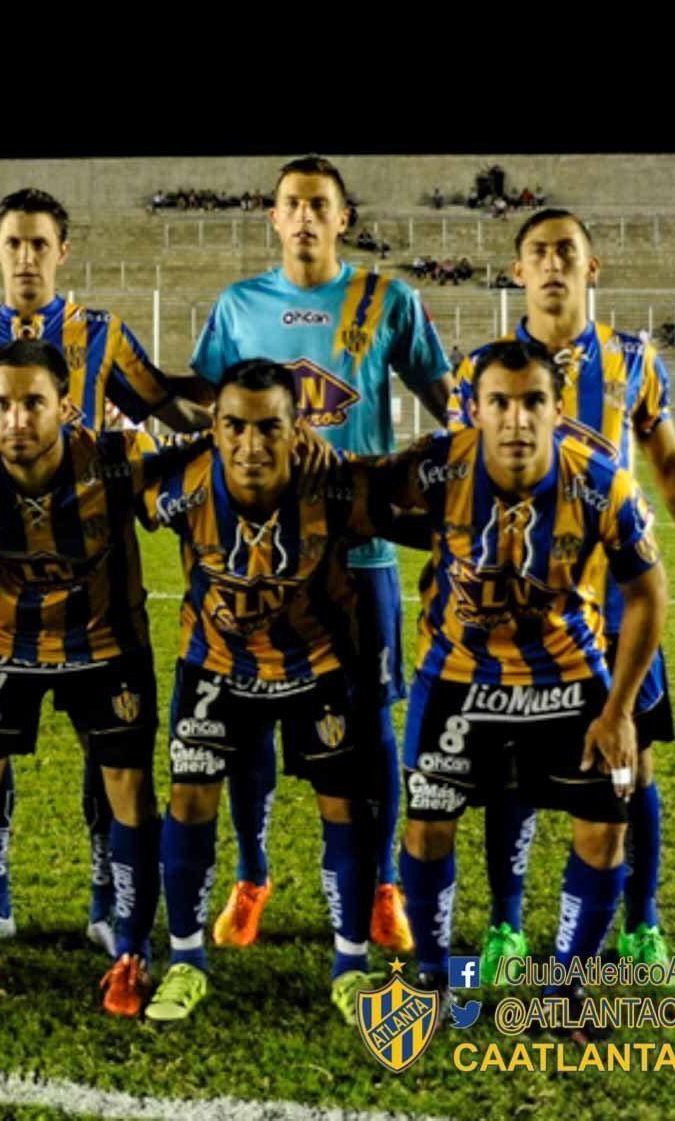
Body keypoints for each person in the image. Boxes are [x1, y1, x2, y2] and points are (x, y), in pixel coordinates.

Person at [0, 187, 207, 958]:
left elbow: (164, 410)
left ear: (61, 252)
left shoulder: (101, 334)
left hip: (96, 579)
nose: (26, 257)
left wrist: (237, 430)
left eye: (39, 244)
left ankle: (109, 898)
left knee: (111, 759)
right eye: (14, 243)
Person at [450, 208, 675, 982]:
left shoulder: (631, 359)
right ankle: (505, 927)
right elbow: (459, 476)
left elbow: (665, 462)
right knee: (510, 768)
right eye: (536, 252)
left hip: (614, 602)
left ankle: (641, 925)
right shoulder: (479, 370)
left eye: (565, 251)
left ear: (590, 266)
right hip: (517, 609)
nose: (551, 264)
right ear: (516, 272)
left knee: (630, 762)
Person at [190, 154, 454, 956]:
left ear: (343, 218)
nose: (304, 216)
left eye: (318, 205)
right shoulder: (238, 304)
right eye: (291, 204)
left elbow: (444, 396)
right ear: (272, 217)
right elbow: (208, 411)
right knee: (249, 722)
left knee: (370, 725)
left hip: (359, 554)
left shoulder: (386, 299)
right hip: (258, 558)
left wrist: (460, 467)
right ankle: (252, 877)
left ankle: (380, 887)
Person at [396, 338, 668, 1033]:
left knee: (602, 831)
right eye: (499, 403)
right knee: (427, 827)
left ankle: (564, 994)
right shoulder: (432, 468)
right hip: (458, 677)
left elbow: (647, 593)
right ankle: (433, 984)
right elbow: (351, 499)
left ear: (555, 410)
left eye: (531, 403)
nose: (516, 419)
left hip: (567, 678)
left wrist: (619, 711)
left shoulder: (601, 481)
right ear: (475, 409)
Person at [0, 339, 178, 1017]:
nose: (17, 419)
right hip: (2, 642)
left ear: (65, 407)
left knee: (126, 783)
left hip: (104, 642)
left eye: (33, 403)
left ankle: (130, 950)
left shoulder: (117, 458)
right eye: (1, 404)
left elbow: (192, 479)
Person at [138, 359, 386, 1025]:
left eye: (269, 427)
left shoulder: (336, 484)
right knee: (189, 797)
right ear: (214, 428)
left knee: (343, 805)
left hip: (315, 664)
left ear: (297, 428)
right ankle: (186, 961)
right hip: (216, 663)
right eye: (235, 427)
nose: (251, 445)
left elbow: (424, 504)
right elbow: (106, 481)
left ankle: (350, 966)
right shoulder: (180, 485)